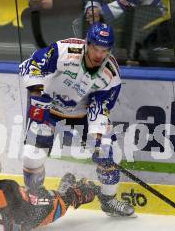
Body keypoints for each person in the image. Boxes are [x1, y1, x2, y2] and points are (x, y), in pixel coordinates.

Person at [18, 22, 135, 217]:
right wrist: (38, 94)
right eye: (95, 48)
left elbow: (100, 107)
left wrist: (96, 137)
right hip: (48, 108)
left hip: (83, 116)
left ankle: (108, 200)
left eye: (104, 50)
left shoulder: (111, 74)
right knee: (32, 155)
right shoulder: (64, 50)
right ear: (87, 44)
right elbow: (30, 65)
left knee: (109, 155)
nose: (99, 55)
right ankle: (34, 198)